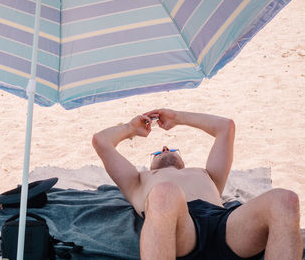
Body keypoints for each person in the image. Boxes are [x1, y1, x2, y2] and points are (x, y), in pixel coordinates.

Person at [92, 108, 303, 260]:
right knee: (165, 192)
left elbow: (225, 127)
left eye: (173, 150)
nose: (165, 148)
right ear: (150, 167)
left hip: (225, 226)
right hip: (182, 231)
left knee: (285, 200)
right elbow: (101, 141)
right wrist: (131, 128)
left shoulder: (207, 174)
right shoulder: (138, 181)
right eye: (157, 152)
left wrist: (178, 117)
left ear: (184, 162)